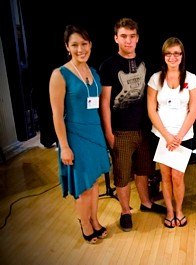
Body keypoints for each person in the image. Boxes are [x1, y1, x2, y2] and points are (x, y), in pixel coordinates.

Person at [99, 18, 166, 233]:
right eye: (124, 36)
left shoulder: (147, 62)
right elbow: (105, 103)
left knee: (144, 170)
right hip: (120, 131)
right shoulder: (108, 65)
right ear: (116, 38)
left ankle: (146, 203)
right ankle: (125, 211)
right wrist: (108, 132)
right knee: (122, 173)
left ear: (137, 38)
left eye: (132, 36)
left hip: (145, 129)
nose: (128, 41)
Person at [49, 25, 110, 244]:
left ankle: (94, 219)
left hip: (95, 133)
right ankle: (84, 224)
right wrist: (64, 146)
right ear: (67, 47)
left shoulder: (93, 72)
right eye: (74, 44)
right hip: (75, 136)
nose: (80, 49)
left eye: (84, 44)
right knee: (84, 187)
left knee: (94, 183)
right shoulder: (60, 74)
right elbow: (57, 115)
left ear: (90, 45)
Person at [147, 37, 196, 228]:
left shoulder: (191, 78)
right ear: (164, 56)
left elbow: (194, 110)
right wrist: (168, 137)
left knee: (178, 177)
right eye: (169, 53)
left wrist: (177, 137)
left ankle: (179, 210)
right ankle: (169, 211)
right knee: (165, 176)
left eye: (176, 53)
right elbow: (151, 110)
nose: (173, 57)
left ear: (182, 55)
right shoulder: (155, 78)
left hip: (183, 137)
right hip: (162, 136)